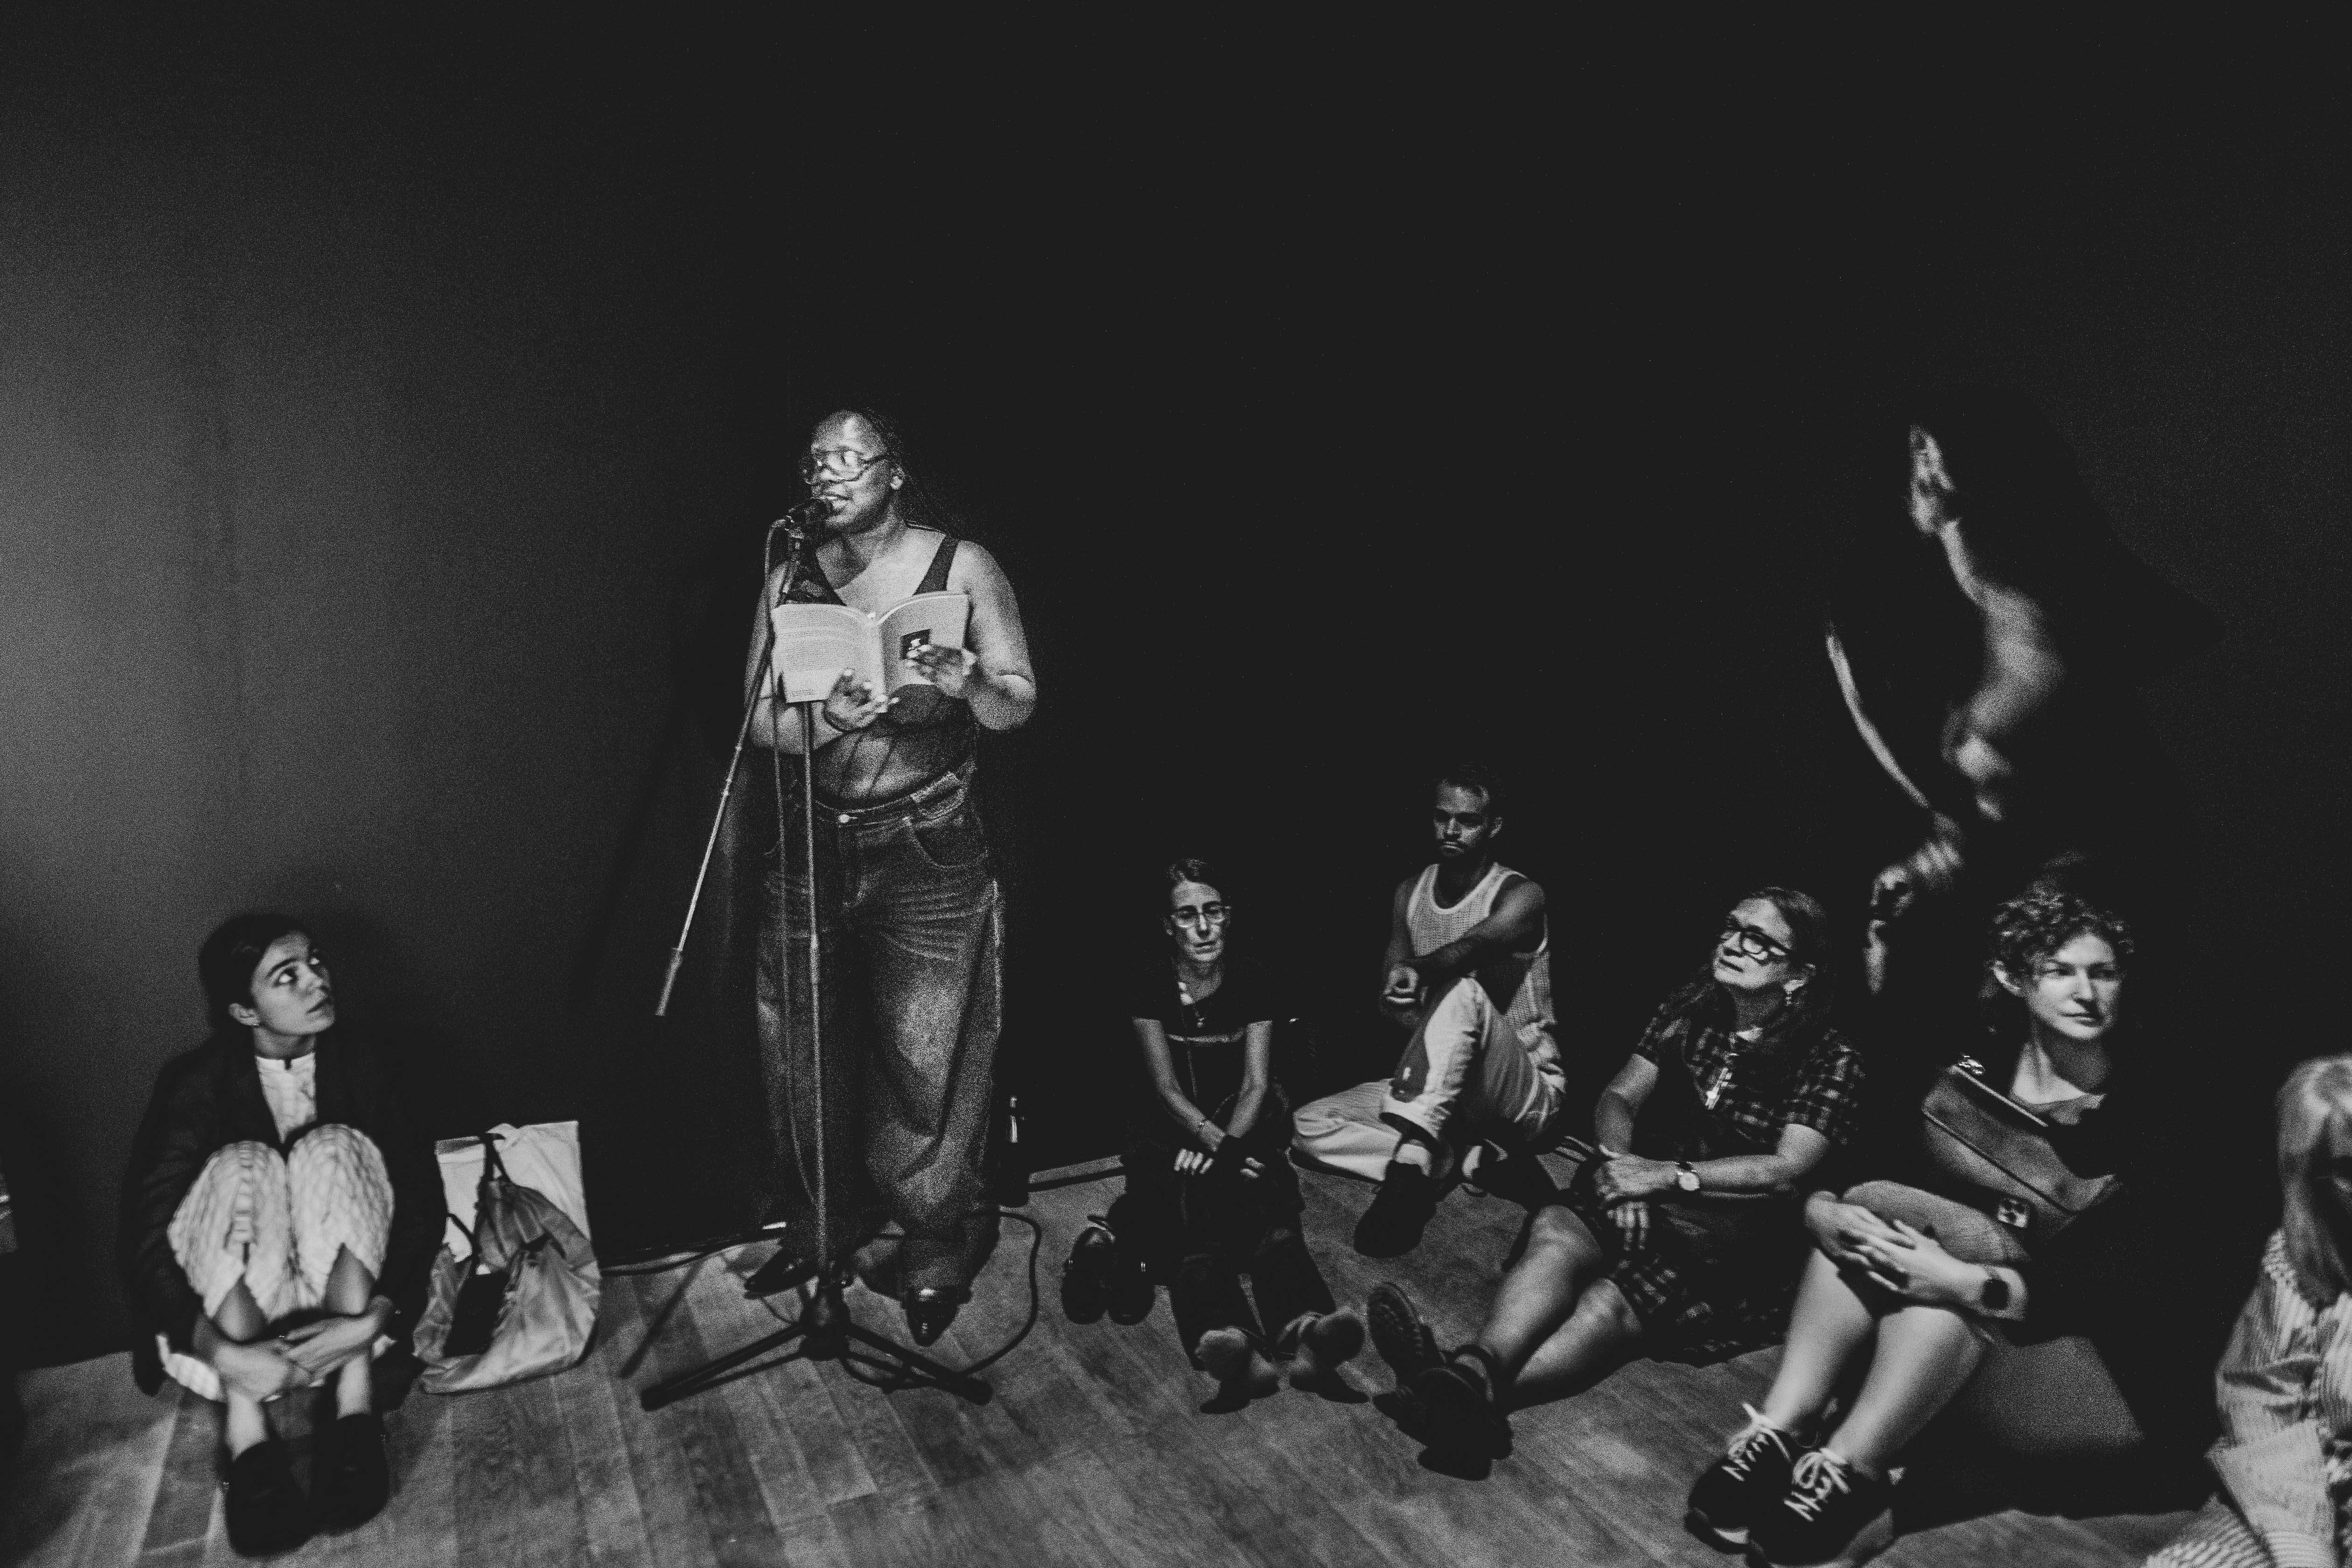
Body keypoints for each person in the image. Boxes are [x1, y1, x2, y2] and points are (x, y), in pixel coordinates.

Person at [1687, 888, 2207, 1566]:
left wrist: (1968, 1280)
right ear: (2013, 978)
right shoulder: (1965, 1067)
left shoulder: (2145, 1118)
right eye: (2061, 971)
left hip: (2084, 1380)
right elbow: (1865, 1160)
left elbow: (2119, 1291)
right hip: (1955, 1329)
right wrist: (1820, 1210)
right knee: (1878, 1221)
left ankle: (1850, 1463)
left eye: (2102, 972)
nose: (2086, 992)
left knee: (1938, 1254)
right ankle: (1786, 1432)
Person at [1363, 888, 1863, 1459]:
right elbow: (1620, 1096)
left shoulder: (1830, 1059)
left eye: (1758, 940)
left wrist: (1663, 1177)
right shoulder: (1690, 1007)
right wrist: (1621, 1164)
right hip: (1642, 1179)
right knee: (1557, 1232)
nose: (1733, 944)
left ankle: (1456, 1388)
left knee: (1612, 1302)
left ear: (1798, 976)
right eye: (1731, 927)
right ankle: (1475, 1370)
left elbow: (1784, 1168)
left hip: (1729, 1236)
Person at [746, 406, 1036, 1346]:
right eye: (814, 460)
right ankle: (819, 1231)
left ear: (893, 471)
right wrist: (828, 716)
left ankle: (930, 1246)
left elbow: (1017, 704)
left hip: (928, 843)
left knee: (928, 1052)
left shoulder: (965, 563)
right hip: (811, 840)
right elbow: (760, 729)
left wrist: (964, 685)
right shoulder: (788, 567)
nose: (827, 476)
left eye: (847, 460)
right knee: (801, 1047)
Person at [1825, 392, 2215, 1047]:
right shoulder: (1948, 628)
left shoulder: (2057, 649)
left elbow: (2070, 816)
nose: (1921, 470)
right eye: (1918, 457)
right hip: (2034, 913)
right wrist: (1929, 863)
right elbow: (1991, 811)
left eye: (1937, 458)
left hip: (2091, 918)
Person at [119, 914, 442, 1558]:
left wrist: (373, 1320)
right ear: (243, 1010)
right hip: (241, 1316)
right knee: (245, 1164)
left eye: (316, 963)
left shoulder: (365, 1059)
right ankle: (248, 1433)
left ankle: (355, 1408)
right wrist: (219, 1348)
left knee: (331, 1147)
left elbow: (420, 1198)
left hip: (346, 1301)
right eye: (286, 977)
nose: (316, 982)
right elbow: (146, 1234)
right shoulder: (197, 1081)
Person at [1067, 860, 1363, 1405]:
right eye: (1187, 915)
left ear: (1227, 916)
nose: (1202, 928)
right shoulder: (1147, 980)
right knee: (1192, 1234)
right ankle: (1238, 1353)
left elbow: (1255, 1083)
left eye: (1212, 912)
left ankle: (1308, 1336)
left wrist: (1232, 1151)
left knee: (1272, 1223)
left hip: (1242, 1126)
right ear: (1167, 925)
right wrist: (1213, 1149)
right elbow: (1164, 1089)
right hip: (1172, 1134)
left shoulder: (1255, 976)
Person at [1291, 764, 1563, 1258]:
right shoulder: (1409, 893)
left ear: (1493, 826)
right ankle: (1449, 1157)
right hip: (1443, 1090)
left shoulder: (1521, 895)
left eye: (1468, 820)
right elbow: (1388, 1001)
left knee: (1460, 992)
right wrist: (1408, 1006)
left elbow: (1475, 946)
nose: (1452, 830)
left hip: (1521, 1087)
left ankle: (1409, 1170)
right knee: (1309, 1125)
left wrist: (1422, 971)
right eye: (1442, 817)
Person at [2144, 1056, 2352, 1568]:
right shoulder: (2301, 1257)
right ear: (2315, 1175)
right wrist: (2301, 1543)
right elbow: (2260, 1400)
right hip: (2303, 1485)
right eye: (2349, 1168)